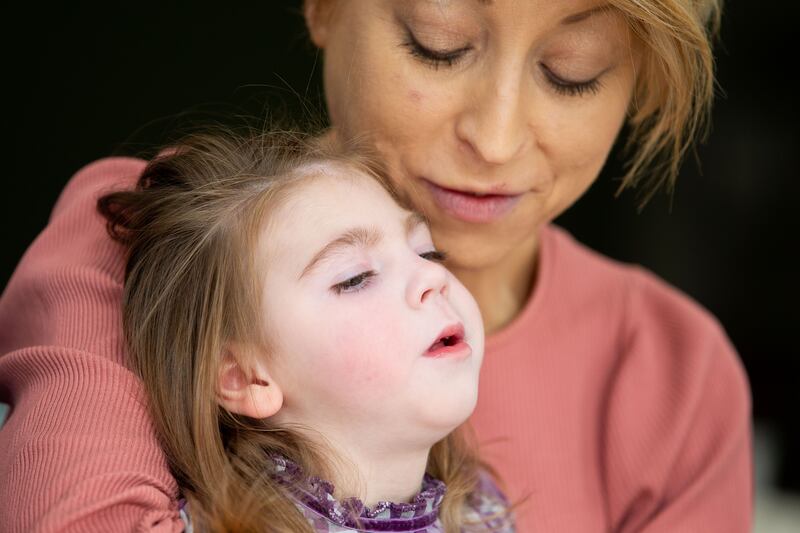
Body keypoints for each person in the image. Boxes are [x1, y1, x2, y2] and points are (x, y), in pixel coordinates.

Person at [0, 0, 751, 531]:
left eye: (571, 72)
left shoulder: (677, 376)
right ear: (323, 8)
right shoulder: (146, 236)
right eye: (438, 44)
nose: (495, 140)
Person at [93, 129, 512, 532]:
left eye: (427, 252)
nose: (432, 276)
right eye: (355, 278)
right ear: (245, 377)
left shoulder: (483, 514)